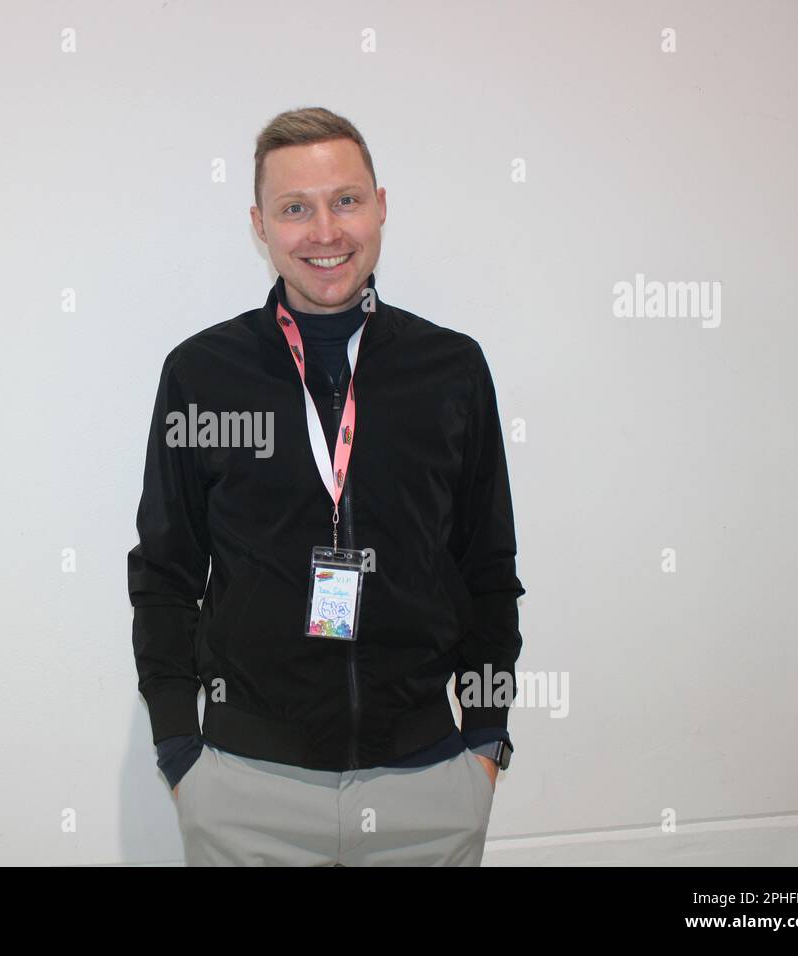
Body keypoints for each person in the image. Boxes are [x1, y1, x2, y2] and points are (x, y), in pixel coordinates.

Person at [127, 106, 525, 866]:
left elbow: (488, 570)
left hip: (430, 786)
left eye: (345, 200)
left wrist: (484, 739)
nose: (324, 231)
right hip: (246, 789)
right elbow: (165, 572)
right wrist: (181, 749)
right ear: (260, 225)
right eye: (295, 209)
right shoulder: (202, 373)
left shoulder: (452, 369)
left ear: (381, 205)